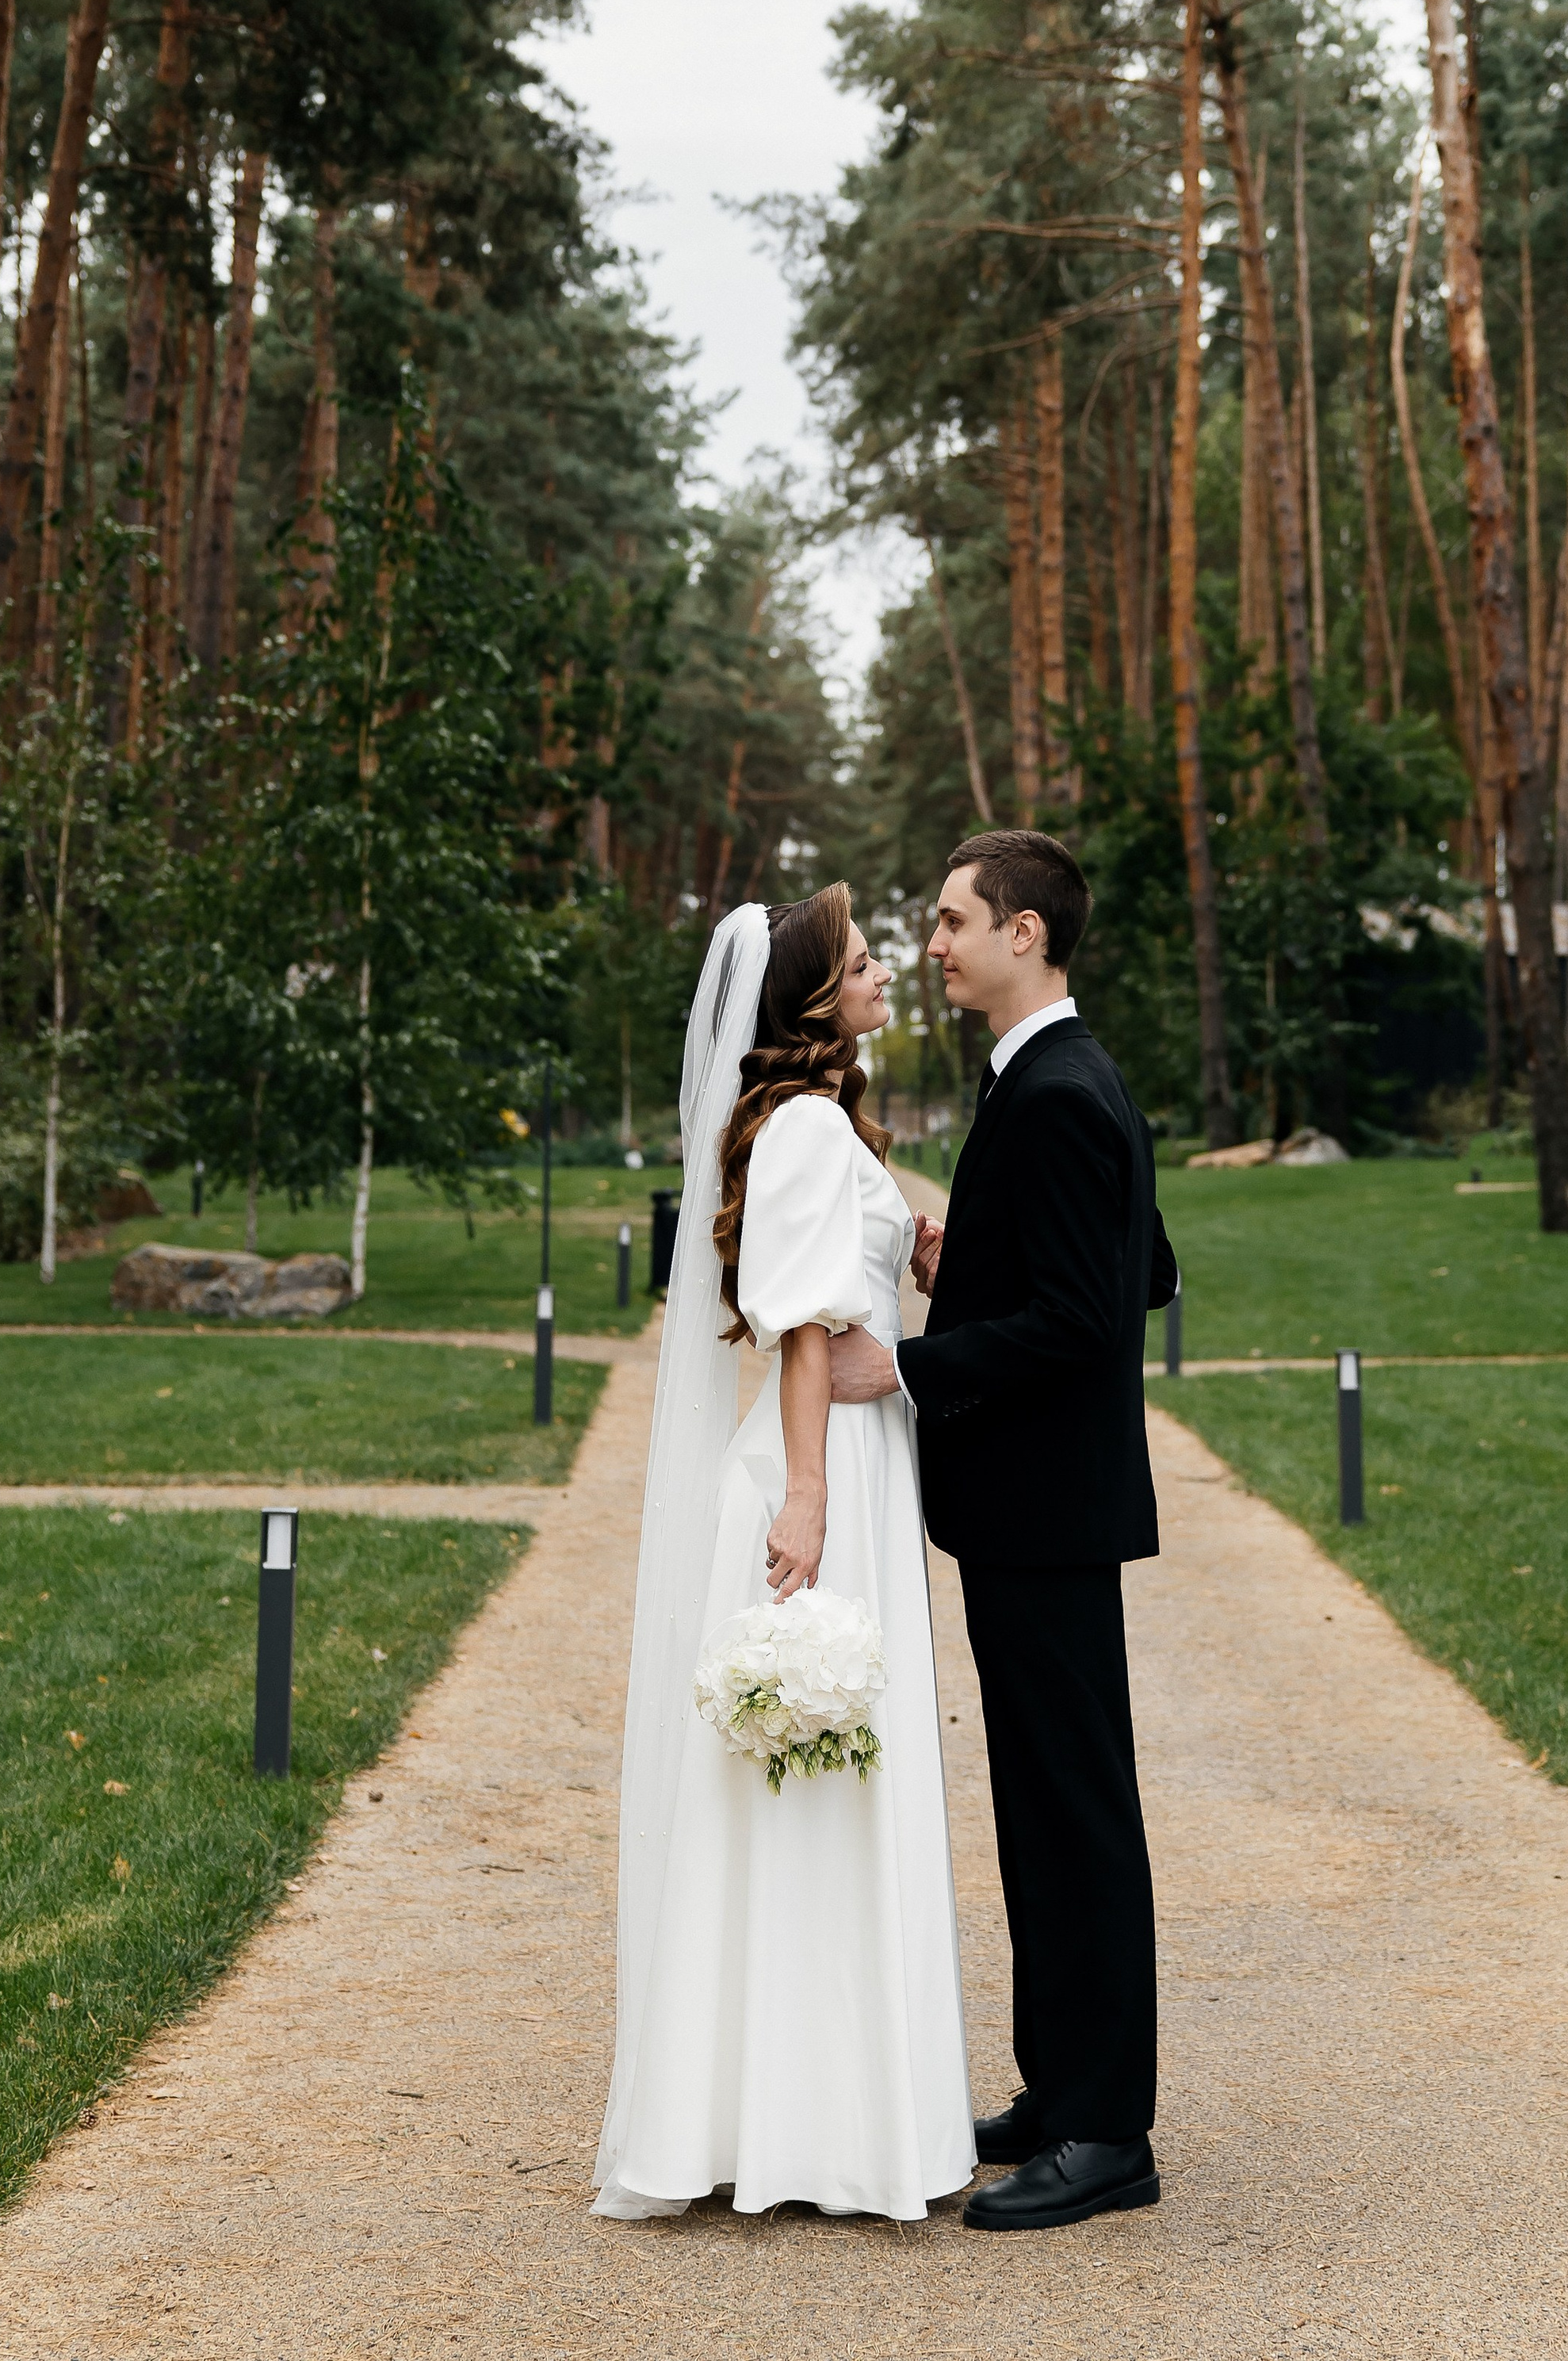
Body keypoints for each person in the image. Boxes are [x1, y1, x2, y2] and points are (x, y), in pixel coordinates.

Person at [592, 885, 974, 2222]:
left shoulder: (822, 1126)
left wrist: (912, 1257)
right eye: (870, 963)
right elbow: (806, 1330)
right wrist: (809, 1495)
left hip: (849, 1456)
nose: (888, 976)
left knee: (823, 1770)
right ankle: (808, 2125)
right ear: (814, 997)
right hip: (827, 1470)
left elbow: (842, 1292)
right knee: (814, 1769)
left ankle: (809, 2113)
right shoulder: (807, 1125)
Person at [829, 828, 1178, 2233]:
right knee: (1041, 1806)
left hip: (1049, 1509)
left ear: (1026, 933)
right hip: (1039, 1508)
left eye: (953, 919)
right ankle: (1060, 2088)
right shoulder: (1056, 1081)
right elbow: (1143, 1265)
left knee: (1075, 1810)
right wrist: (958, 1257)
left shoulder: (1059, 1091)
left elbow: (1091, 1316)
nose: (933, 943)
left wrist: (905, 1365)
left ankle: (1109, 2133)